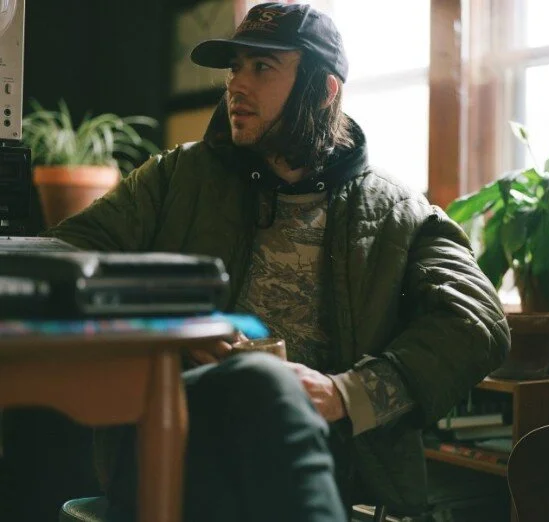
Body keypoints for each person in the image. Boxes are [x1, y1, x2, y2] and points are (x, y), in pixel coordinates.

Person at [43, 2, 510, 520]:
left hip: (325, 461)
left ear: (324, 90)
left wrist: (342, 394)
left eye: (262, 67)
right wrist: (170, 323)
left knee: (267, 391)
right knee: (260, 382)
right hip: (172, 442)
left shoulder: (396, 212)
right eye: (234, 68)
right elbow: (64, 257)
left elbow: (478, 320)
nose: (237, 86)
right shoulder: (176, 177)